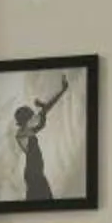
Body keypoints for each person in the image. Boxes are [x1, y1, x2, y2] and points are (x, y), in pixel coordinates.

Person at [9, 72, 72, 201]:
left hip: (36, 174)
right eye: (31, 116)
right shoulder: (21, 134)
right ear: (25, 119)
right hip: (34, 174)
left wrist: (62, 91)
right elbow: (42, 114)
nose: (34, 117)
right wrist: (43, 107)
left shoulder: (27, 131)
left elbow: (43, 117)